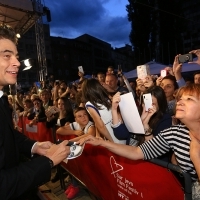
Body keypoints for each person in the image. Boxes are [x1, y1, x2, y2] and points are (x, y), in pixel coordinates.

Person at [78, 83, 200, 198]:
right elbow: (137, 151)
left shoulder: (166, 121)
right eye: (180, 99)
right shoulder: (175, 133)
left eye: (189, 99)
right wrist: (102, 142)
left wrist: (196, 158)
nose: (180, 102)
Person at [0, 24, 70, 199]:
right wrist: (47, 162)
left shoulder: (1, 100)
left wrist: (34, 146)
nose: (17, 62)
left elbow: (8, 135)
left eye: (16, 56)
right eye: (7, 56)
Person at [81, 78, 126, 144]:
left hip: (110, 130)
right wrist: (98, 135)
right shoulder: (104, 98)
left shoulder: (90, 104)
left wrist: (111, 141)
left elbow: (100, 126)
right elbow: (98, 124)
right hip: (118, 125)